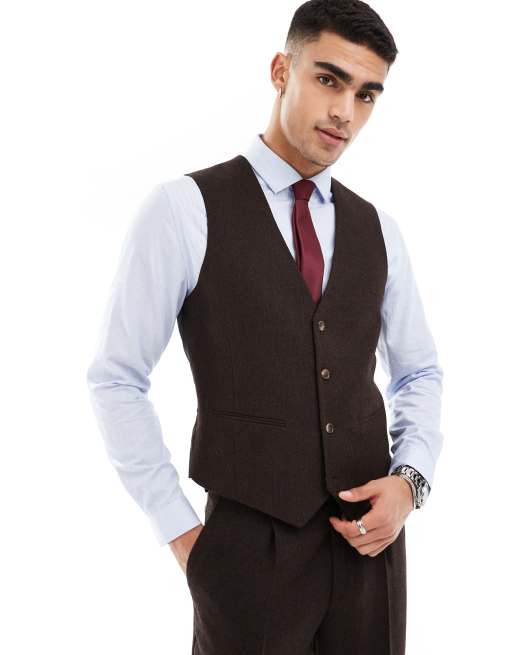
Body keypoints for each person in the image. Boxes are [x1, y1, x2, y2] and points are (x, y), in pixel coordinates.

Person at [86, 1, 444, 653]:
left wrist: (410, 481)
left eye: (366, 95)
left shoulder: (379, 230)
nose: (345, 112)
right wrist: (184, 537)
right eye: (329, 80)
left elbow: (418, 371)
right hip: (245, 559)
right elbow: (116, 378)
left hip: (370, 554)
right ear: (281, 70)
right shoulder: (183, 210)